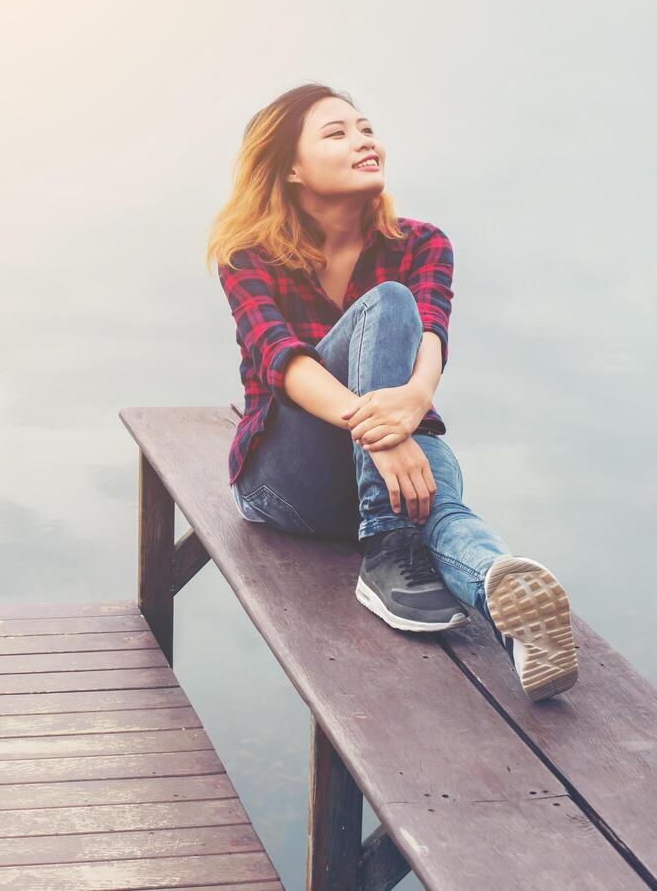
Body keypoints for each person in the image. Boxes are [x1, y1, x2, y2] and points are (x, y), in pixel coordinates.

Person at [205, 83, 578, 702]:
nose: (364, 140)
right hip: (286, 485)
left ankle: (502, 596)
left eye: (366, 128)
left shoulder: (423, 243)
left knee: (441, 501)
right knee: (388, 303)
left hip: (394, 462)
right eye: (338, 133)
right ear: (291, 168)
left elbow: (434, 332)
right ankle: (386, 547)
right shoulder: (248, 254)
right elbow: (283, 363)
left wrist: (413, 401)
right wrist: (382, 432)